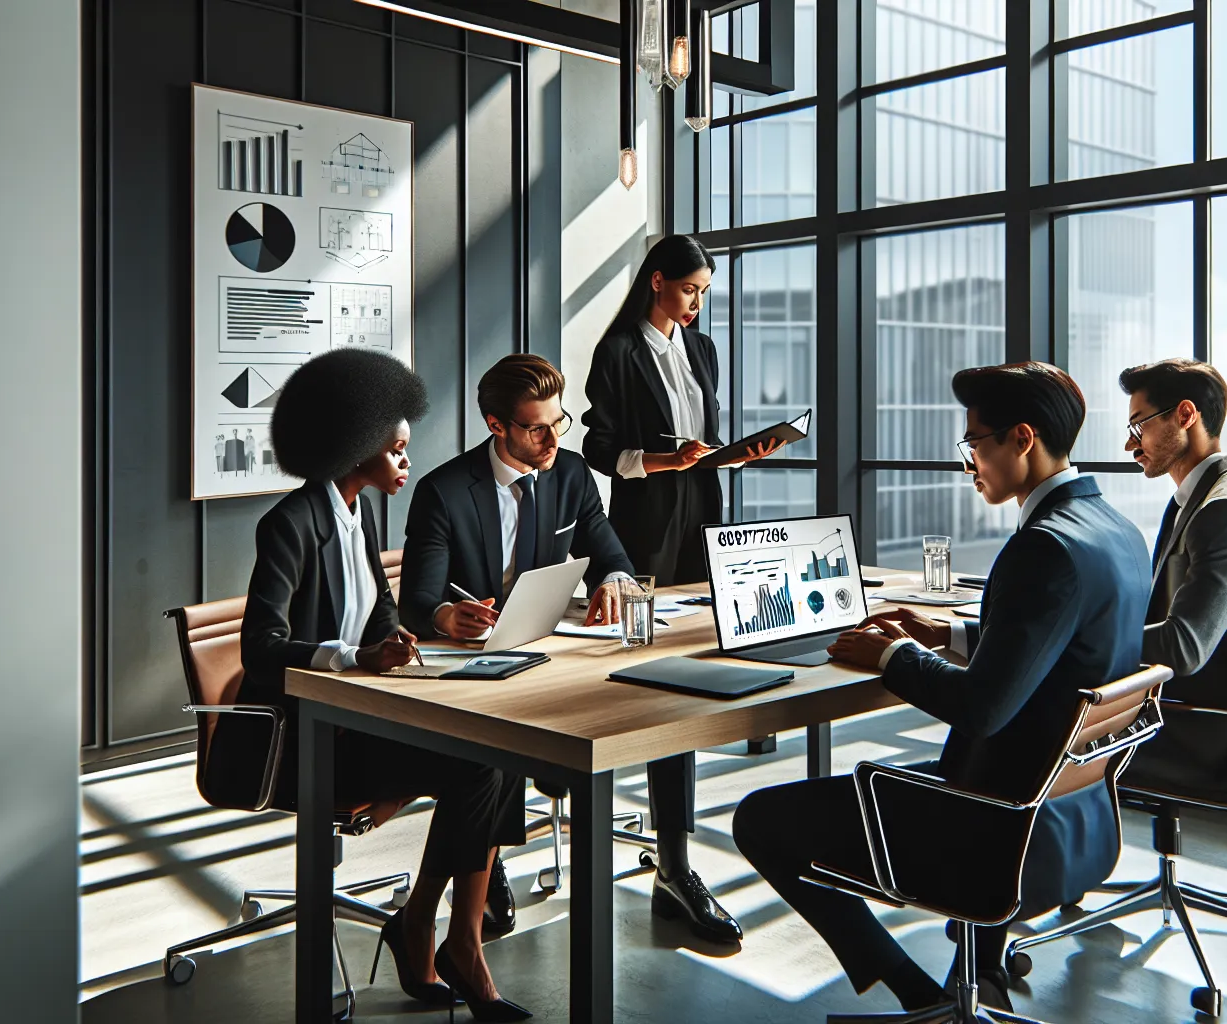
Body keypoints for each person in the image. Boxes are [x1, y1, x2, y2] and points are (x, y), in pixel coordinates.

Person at [732, 362, 1150, 1014]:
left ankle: (918, 995)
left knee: (759, 819)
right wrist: (947, 634)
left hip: (994, 830)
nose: (968, 462)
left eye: (974, 443)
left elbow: (981, 709)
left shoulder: (1044, 547)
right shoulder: (1115, 531)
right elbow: (1059, 644)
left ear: (1021, 438)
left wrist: (892, 654)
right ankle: (978, 975)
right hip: (1070, 816)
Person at [215, 347, 531, 1021]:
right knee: (479, 763)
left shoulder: (359, 517)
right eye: (395, 451)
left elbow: (379, 612)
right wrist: (357, 658)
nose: (405, 464)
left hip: (362, 719)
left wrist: (403, 641)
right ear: (354, 447)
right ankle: (429, 931)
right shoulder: (291, 524)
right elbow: (261, 648)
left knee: (500, 754)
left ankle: (454, 939)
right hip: (303, 737)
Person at [399, 353, 745, 944]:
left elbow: (608, 551)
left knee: (668, 699)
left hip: (555, 643)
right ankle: (488, 863)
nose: (552, 439)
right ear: (496, 425)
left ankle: (674, 866)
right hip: (480, 658)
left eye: (558, 423)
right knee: (501, 719)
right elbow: (418, 600)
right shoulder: (445, 492)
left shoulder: (572, 473)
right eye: (536, 428)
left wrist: (612, 579)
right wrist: (446, 615)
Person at [581, 234, 782, 586]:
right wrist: (671, 460)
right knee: (648, 618)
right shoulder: (616, 353)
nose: (698, 304)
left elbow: (706, 441)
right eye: (690, 290)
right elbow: (598, 451)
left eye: (704, 292)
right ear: (657, 281)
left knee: (701, 611)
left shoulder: (703, 349)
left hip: (703, 507)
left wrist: (741, 454)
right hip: (647, 514)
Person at [1121, 358, 1227, 709]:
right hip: (1175, 715)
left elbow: (1184, 648)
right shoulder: (1198, 503)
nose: (1129, 446)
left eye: (1138, 428)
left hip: (1197, 732)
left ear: (1184, 416)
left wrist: (1079, 639)